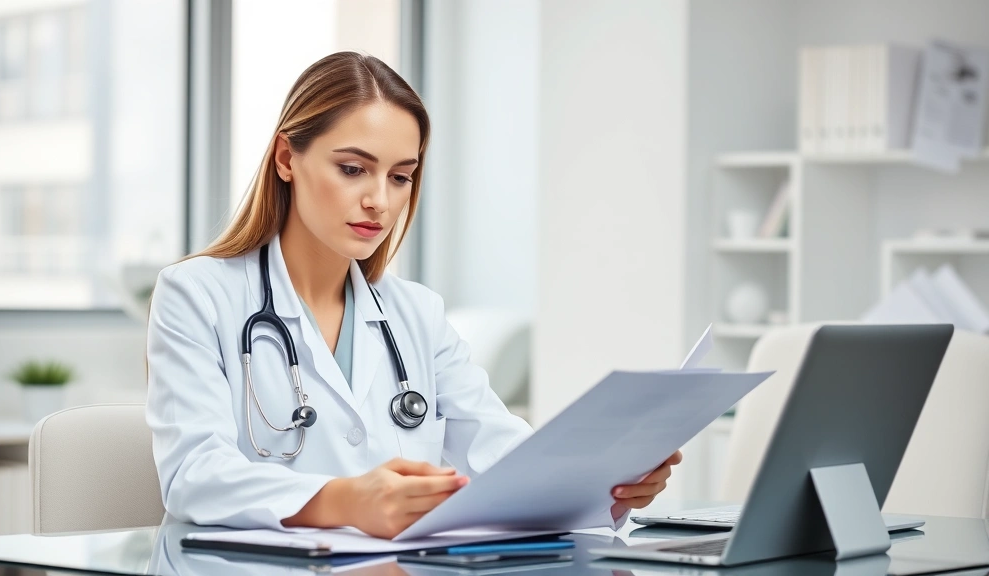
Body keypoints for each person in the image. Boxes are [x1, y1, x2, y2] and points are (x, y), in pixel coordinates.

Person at [146, 52, 681, 540]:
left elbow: (502, 453)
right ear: (287, 158)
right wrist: (345, 500)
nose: (379, 200)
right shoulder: (196, 295)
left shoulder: (416, 315)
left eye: (400, 176)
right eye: (353, 169)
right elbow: (195, 475)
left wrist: (601, 483)